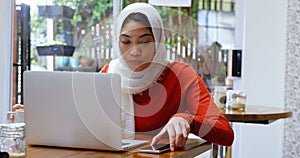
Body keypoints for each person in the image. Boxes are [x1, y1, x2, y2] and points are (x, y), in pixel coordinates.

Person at [12, 2, 233, 152]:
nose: (134, 51)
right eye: (126, 41)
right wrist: (37, 115)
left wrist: (187, 119)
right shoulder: (110, 73)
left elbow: (225, 133)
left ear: (159, 40)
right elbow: (80, 121)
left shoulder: (181, 75)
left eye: (145, 41)